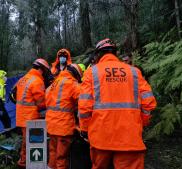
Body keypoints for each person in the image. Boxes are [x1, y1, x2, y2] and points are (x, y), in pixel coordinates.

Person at [78, 38, 157, 169]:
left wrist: (85, 130)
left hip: (100, 138)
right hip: (130, 138)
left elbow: (84, 107)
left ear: (98, 54)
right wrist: (139, 123)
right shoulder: (134, 72)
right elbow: (148, 103)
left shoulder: (91, 73)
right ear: (115, 53)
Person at [46, 63, 83, 169]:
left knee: (53, 153)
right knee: (61, 157)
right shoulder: (72, 83)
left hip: (51, 126)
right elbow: (84, 100)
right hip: (63, 127)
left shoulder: (54, 83)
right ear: (76, 75)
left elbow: (47, 99)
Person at [16, 58, 51, 168]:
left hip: (22, 115)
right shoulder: (37, 81)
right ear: (42, 69)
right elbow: (41, 102)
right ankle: (24, 163)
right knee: (31, 143)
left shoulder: (23, 78)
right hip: (31, 117)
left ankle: (23, 162)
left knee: (26, 142)